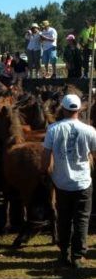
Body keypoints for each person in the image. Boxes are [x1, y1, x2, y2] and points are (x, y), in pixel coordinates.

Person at [42, 94, 96, 268]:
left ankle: (64, 252)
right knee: (81, 219)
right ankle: (77, 256)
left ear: (63, 109)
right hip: (83, 182)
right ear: (79, 110)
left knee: (64, 218)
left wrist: (46, 173)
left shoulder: (52, 129)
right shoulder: (90, 131)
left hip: (61, 182)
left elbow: (45, 157)